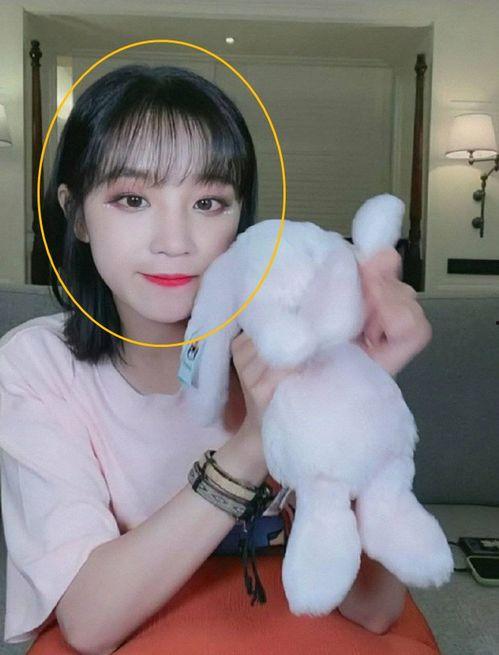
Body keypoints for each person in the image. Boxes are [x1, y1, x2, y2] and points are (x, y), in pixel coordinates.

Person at [0, 64, 433, 654]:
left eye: (208, 202)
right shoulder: (37, 366)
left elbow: (375, 610)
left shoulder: (294, 347)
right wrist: (252, 445)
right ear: (76, 213)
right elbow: (90, 625)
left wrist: (357, 395)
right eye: (132, 199)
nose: (175, 242)